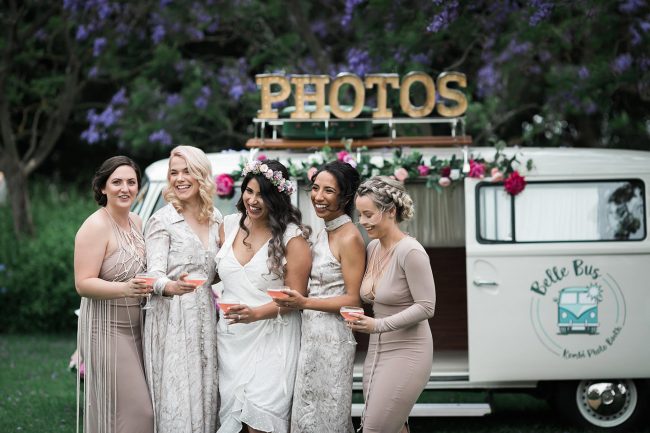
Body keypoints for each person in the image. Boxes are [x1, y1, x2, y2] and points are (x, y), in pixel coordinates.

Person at [214, 159, 311, 433]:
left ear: (277, 198)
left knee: (259, 422)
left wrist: (256, 313)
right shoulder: (228, 226)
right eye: (249, 191)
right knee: (235, 422)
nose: (253, 200)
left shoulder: (292, 238)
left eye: (263, 195)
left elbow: (295, 298)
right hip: (232, 340)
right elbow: (216, 273)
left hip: (274, 337)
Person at [278, 161, 365, 433]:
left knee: (329, 415)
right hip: (311, 335)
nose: (318, 196)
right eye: (315, 188)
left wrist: (304, 303)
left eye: (329, 191)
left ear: (345, 197)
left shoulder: (350, 237)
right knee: (307, 414)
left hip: (334, 339)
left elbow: (353, 299)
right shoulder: (324, 231)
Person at [142, 145, 222, 433]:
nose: (179, 178)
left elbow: (220, 272)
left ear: (201, 175)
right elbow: (151, 275)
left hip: (205, 317)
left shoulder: (216, 219)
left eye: (187, 171)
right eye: (174, 173)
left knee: (205, 392)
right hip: (172, 318)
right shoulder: (162, 221)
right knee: (177, 395)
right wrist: (170, 286)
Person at [349, 176, 436, 433]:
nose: (362, 221)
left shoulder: (411, 252)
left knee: (374, 428)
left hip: (409, 351)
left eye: (368, 214)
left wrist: (377, 325)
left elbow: (427, 306)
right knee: (394, 427)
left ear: (390, 211)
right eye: (360, 215)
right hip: (376, 351)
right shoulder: (373, 247)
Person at [74, 156, 154, 433]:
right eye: (117, 182)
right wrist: (125, 288)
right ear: (102, 187)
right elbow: (82, 283)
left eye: (131, 182)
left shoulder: (137, 222)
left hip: (138, 329)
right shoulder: (95, 226)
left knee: (123, 416)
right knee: (141, 414)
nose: (125, 188)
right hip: (106, 330)